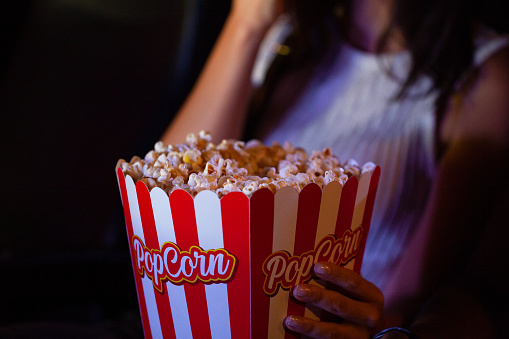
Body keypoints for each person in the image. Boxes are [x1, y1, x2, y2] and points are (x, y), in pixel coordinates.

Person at [162, 0, 509, 338]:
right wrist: (247, 25)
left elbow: (414, 308)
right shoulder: (290, 38)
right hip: (223, 315)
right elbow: (164, 208)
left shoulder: (484, 78)